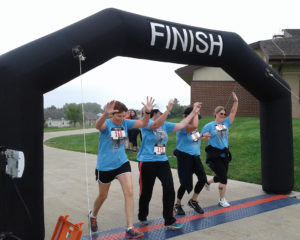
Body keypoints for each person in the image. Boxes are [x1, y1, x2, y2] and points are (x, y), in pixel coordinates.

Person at [88, 97, 155, 239]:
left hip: (121, 163)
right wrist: (105, 114)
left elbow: (143, 123)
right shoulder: (106, 123)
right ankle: (93, 215)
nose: (121, 119)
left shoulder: (125, 122)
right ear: (112, 115)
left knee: (129, 192)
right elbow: (97, 126)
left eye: (123, 116)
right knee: (103, 195)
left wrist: (147, 112)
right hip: (105, 166)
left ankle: (130, 228)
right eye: (119, 116)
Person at [137, 100, 201, 230]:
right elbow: (155, 125)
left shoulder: (165, 125)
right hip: (147, 162)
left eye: (162, 112)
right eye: (160, 112)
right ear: (155, 113)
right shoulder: (145, 123)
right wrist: (168, 110)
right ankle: (142, 215)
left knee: (169, 189)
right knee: (146, 192)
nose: (162, 114)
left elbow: (182, 124)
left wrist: (194, 112)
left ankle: (169, 221)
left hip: (162, 162)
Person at [201, 92, 238, 208]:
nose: (223, 115)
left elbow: (232, 113)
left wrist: (236, 101)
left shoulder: (226, 123)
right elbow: (201, 137)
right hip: (214, 155)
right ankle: (222, 200)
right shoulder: (209, 125)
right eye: (221, 113)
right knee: (223, 177)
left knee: (222, 176)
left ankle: (207, 182)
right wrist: (204, 136)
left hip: (224, 155)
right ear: (215, 114)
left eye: (224, 114)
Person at [173, 105, 211, 216]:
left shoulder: (194, 128)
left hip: (195, 156)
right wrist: (194, 112)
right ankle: (177, 204)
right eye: (196, 117)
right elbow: (193, 127)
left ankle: (193, 201)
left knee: (203, 179)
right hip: (185, 157)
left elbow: (195, 135)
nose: (197, 120)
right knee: (185, 183)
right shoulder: (182, 126)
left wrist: (203, 136)